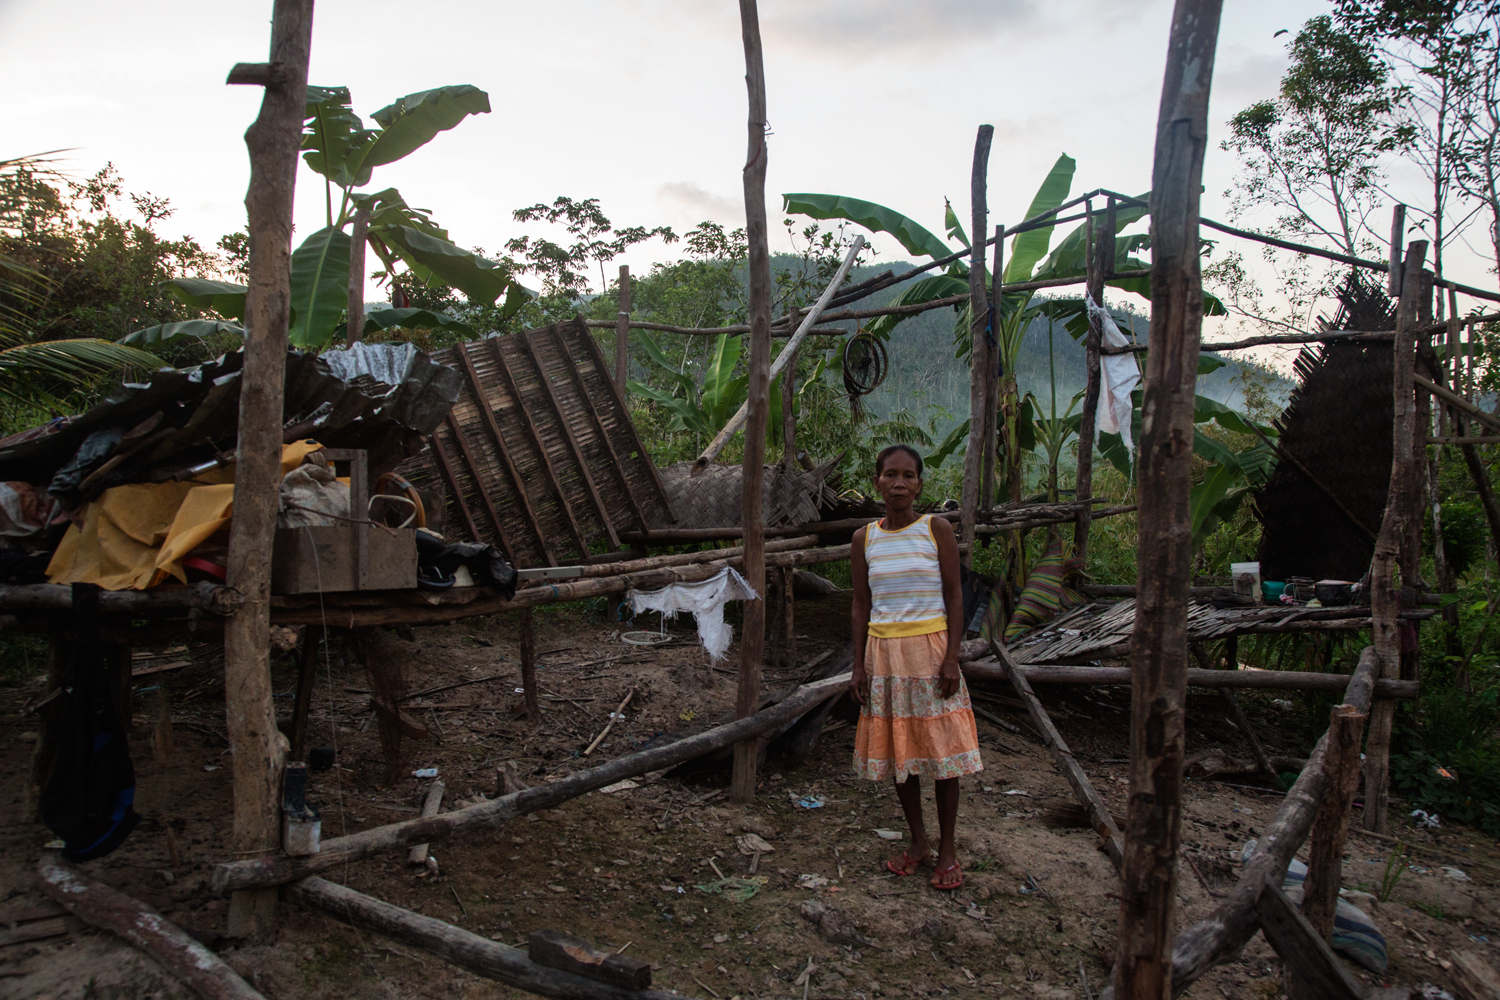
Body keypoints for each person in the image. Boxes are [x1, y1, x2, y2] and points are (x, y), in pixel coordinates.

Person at [850, 444, 981, 890]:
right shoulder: (864, 538)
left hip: (931, 653)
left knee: (943, 756)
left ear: (919, 484)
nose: (899, 483)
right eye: (890, 475)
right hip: (883, 655)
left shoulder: (936, 529)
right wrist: (857, 668)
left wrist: (952, 657)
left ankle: (947, 849)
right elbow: (860, 604)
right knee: (898, 754)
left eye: (908, 475)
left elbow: (955, 595)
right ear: (877, 482)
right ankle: (919, 841)